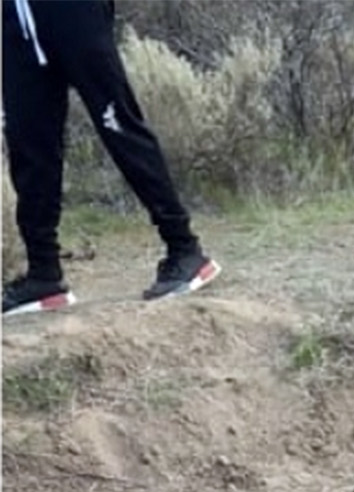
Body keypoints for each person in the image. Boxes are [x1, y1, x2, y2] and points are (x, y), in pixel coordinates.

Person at [2, 0, 218, 316]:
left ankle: (185, 250)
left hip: (73, 11)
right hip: (16, 16)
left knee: (117, 123)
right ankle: (43, 274)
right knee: (29, 143)